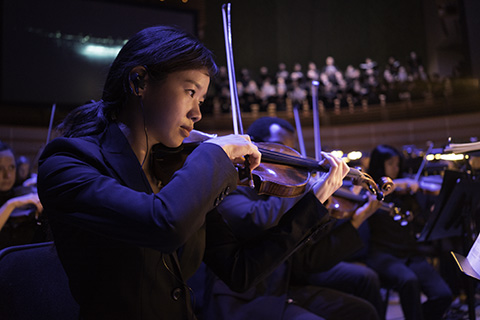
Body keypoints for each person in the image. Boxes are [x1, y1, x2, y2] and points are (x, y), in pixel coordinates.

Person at [37, 26, 349, 320]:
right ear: (139, 82)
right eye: (190, 92)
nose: (197, 113)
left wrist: (315, 199)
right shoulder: (66, 164)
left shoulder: (173, 171)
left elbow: (240, 271)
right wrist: (213, 156)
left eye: (200, 100)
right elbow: (161, 224)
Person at [202, 117, 383, 320]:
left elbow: (306, 245)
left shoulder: (278, 188)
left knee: (363, 311)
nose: (285, 158)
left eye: (290, 150)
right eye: (278, 147)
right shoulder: (231, 183)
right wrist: (308, 193)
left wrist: (339, 210)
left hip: (282, 285)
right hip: (244, 298)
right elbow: (254, 219)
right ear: (253, 143)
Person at [363, 144, 453, 320]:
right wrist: (397, 184)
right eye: (391, 164)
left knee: (443, 294)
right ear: (379, 165)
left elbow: (420, 216)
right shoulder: (370, 187)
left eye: (398, 164)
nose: (396, 169)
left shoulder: (405, 191)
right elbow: (373, 193)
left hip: (411, 252)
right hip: (383, 254)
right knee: (409, 281)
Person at [0, 141, 43, 247]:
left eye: (11, 167)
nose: (7, 175)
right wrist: (11, 204)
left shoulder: (22, 191)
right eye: (0, 168)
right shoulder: (17, 200)